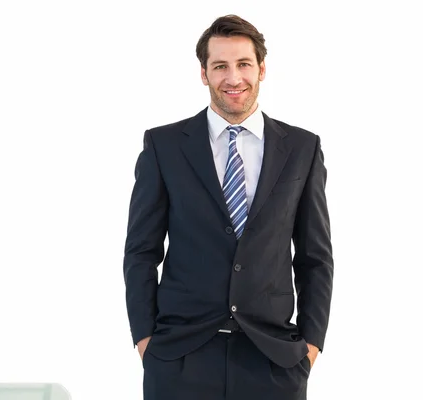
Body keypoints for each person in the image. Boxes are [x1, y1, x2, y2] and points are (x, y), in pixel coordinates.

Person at [122, 14, 334, 400]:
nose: (233, 78)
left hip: (273, 360)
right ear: (203, 73)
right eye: (220, 66)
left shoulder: (302, 149)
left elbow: (315, 257)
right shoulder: (164, 146)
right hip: (180, 358)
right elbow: (140, 251)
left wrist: (310, 347)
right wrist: (146, 343)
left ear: (262, 69)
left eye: (243, 64)